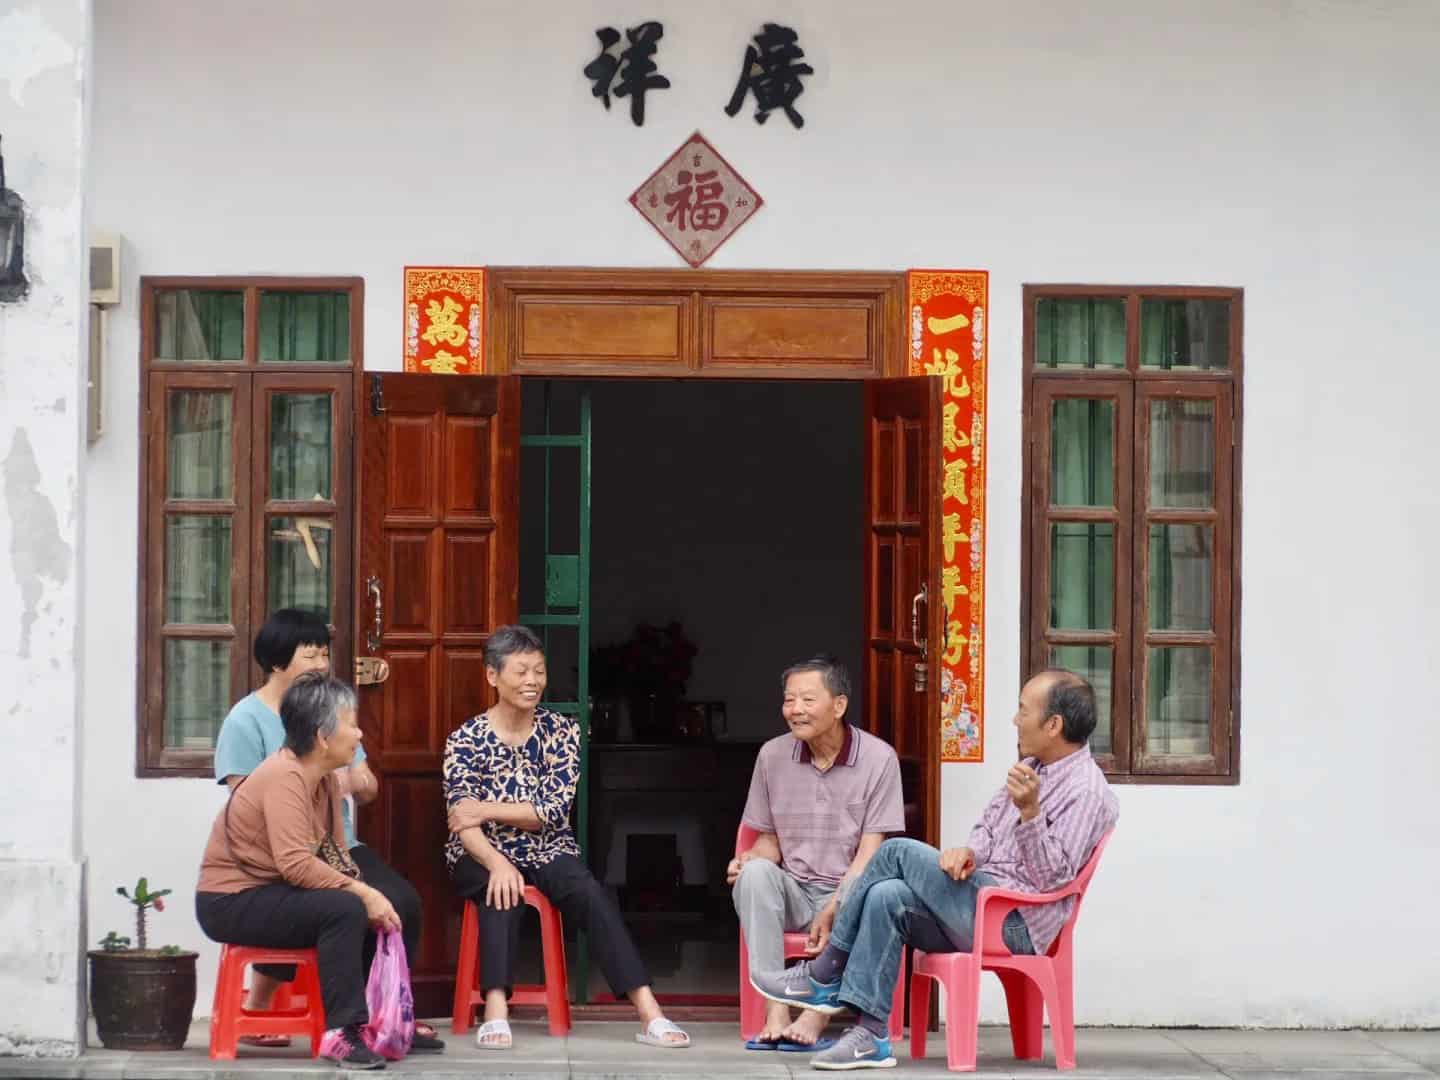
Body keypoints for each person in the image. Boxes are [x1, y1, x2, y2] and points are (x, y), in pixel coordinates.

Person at [752, 669, 1118, 1071]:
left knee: (895, 852)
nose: (1015, 720)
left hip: (1012, 922)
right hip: (978, 900)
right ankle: (871, 1035)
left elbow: (1054, 879)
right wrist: (969, 851)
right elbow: (988, 826)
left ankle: (824, 972)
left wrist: (1031, 813)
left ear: (1053, 725)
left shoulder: (1087, 789)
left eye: (1022, 710)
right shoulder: (1033, 766)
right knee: (885, 895)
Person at [443, 625, 689, 1051]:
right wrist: (497, 861)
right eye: (521, 671)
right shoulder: (464, 739)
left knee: (591, 894)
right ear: (492, 676)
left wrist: (484, 808)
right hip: (479, 851)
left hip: (548, 846)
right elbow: (462, 824)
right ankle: (496, 1010)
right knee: (499, 890)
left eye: (539, 671)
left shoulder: (562, 731)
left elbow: (550, 812)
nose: (532, 681)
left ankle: (650, 1012)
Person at [210, 610, 437, 1047]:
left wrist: (352, 782)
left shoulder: (333, 716)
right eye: (309, 655)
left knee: (401, 901)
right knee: (326, 902)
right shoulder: (245, 720)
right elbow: (247, 798)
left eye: (323, 655)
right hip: (281, 849)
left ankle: (387, 1011)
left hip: (336, 845)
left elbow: (362, 783)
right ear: (277, 662)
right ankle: (270, 1007)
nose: (320, 664)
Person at [729, 655, 904, 1050]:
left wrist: (838, 901)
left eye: (807, 700)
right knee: (754, 877)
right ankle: (775, 1008)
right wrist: (749, 859)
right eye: (789, 700)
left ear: (838, 705)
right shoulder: (772, 756)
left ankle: (814, 1014)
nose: (795, 710)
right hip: (795, 888)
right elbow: (769, 839)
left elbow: (870, 854)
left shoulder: (879, 759)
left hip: (846, 887)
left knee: (872, 894)